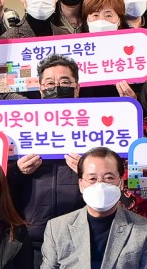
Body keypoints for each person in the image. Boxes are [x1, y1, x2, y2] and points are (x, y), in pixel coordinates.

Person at [7, 55, 89, 244]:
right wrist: (17, 171)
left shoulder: (95, 124)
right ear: (41, 90)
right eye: (50, 83)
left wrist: (89, 172)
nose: (57, 87)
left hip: (81, 237)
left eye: (65, 82)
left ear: (77, 88)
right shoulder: (18, 126)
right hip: (30, 237)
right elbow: (0, 182)